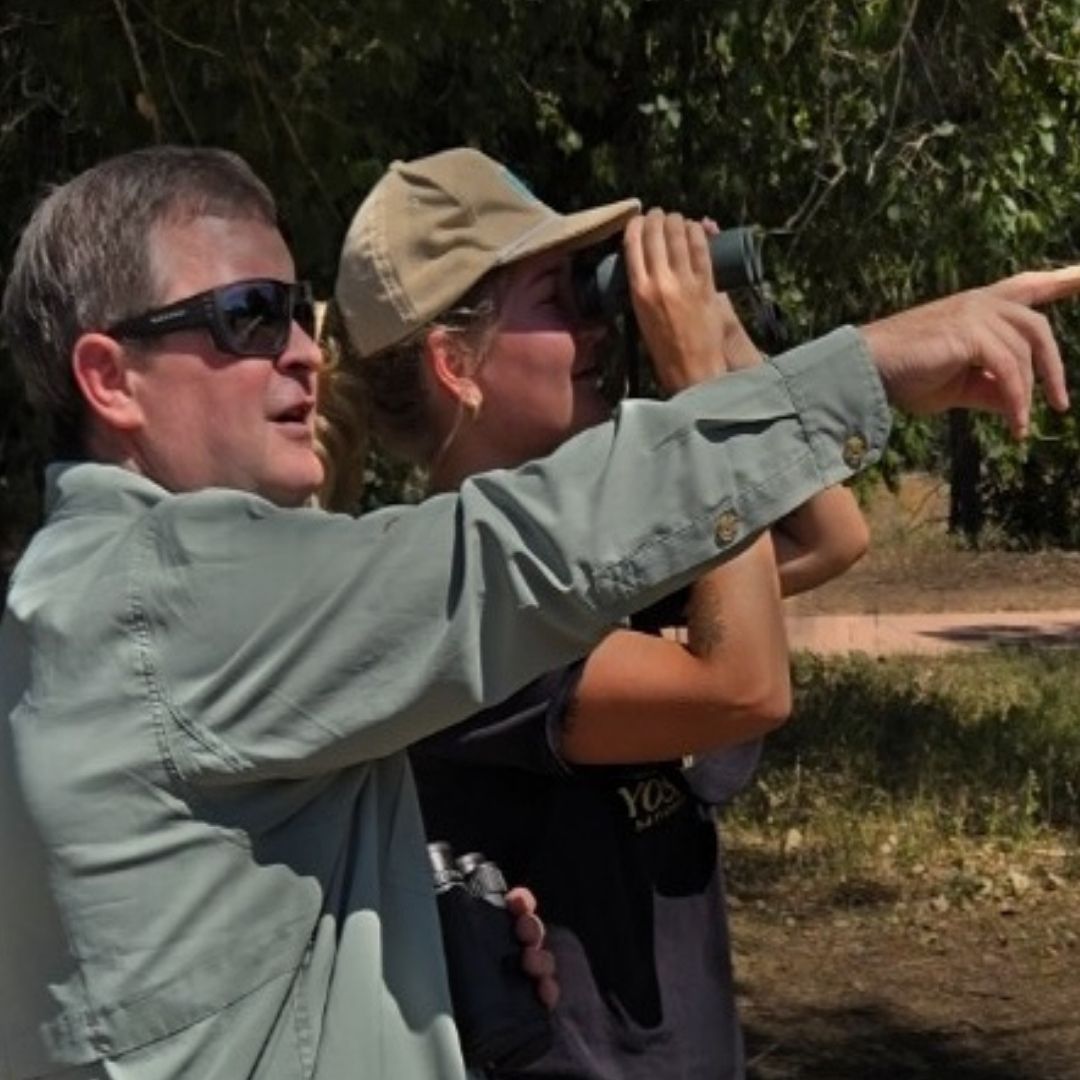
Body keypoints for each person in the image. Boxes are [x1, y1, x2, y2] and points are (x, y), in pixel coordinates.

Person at [0, 144, 1074, 1080]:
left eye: (296, 311)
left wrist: (403, 942)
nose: (299, 349)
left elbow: (823, 538)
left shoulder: (98, 600)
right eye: (247, 315)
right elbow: (559, 572)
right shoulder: (177, 594)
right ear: (111, 378)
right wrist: (852, 367)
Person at [320, 147, 874, 1079]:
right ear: (457, 363)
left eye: (594, 292)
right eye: (559, 298)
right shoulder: (456, 596)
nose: (598, 328)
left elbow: (824, 533)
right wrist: (700, 382)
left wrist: (725, 335)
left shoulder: (583, 548)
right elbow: (742, 689)